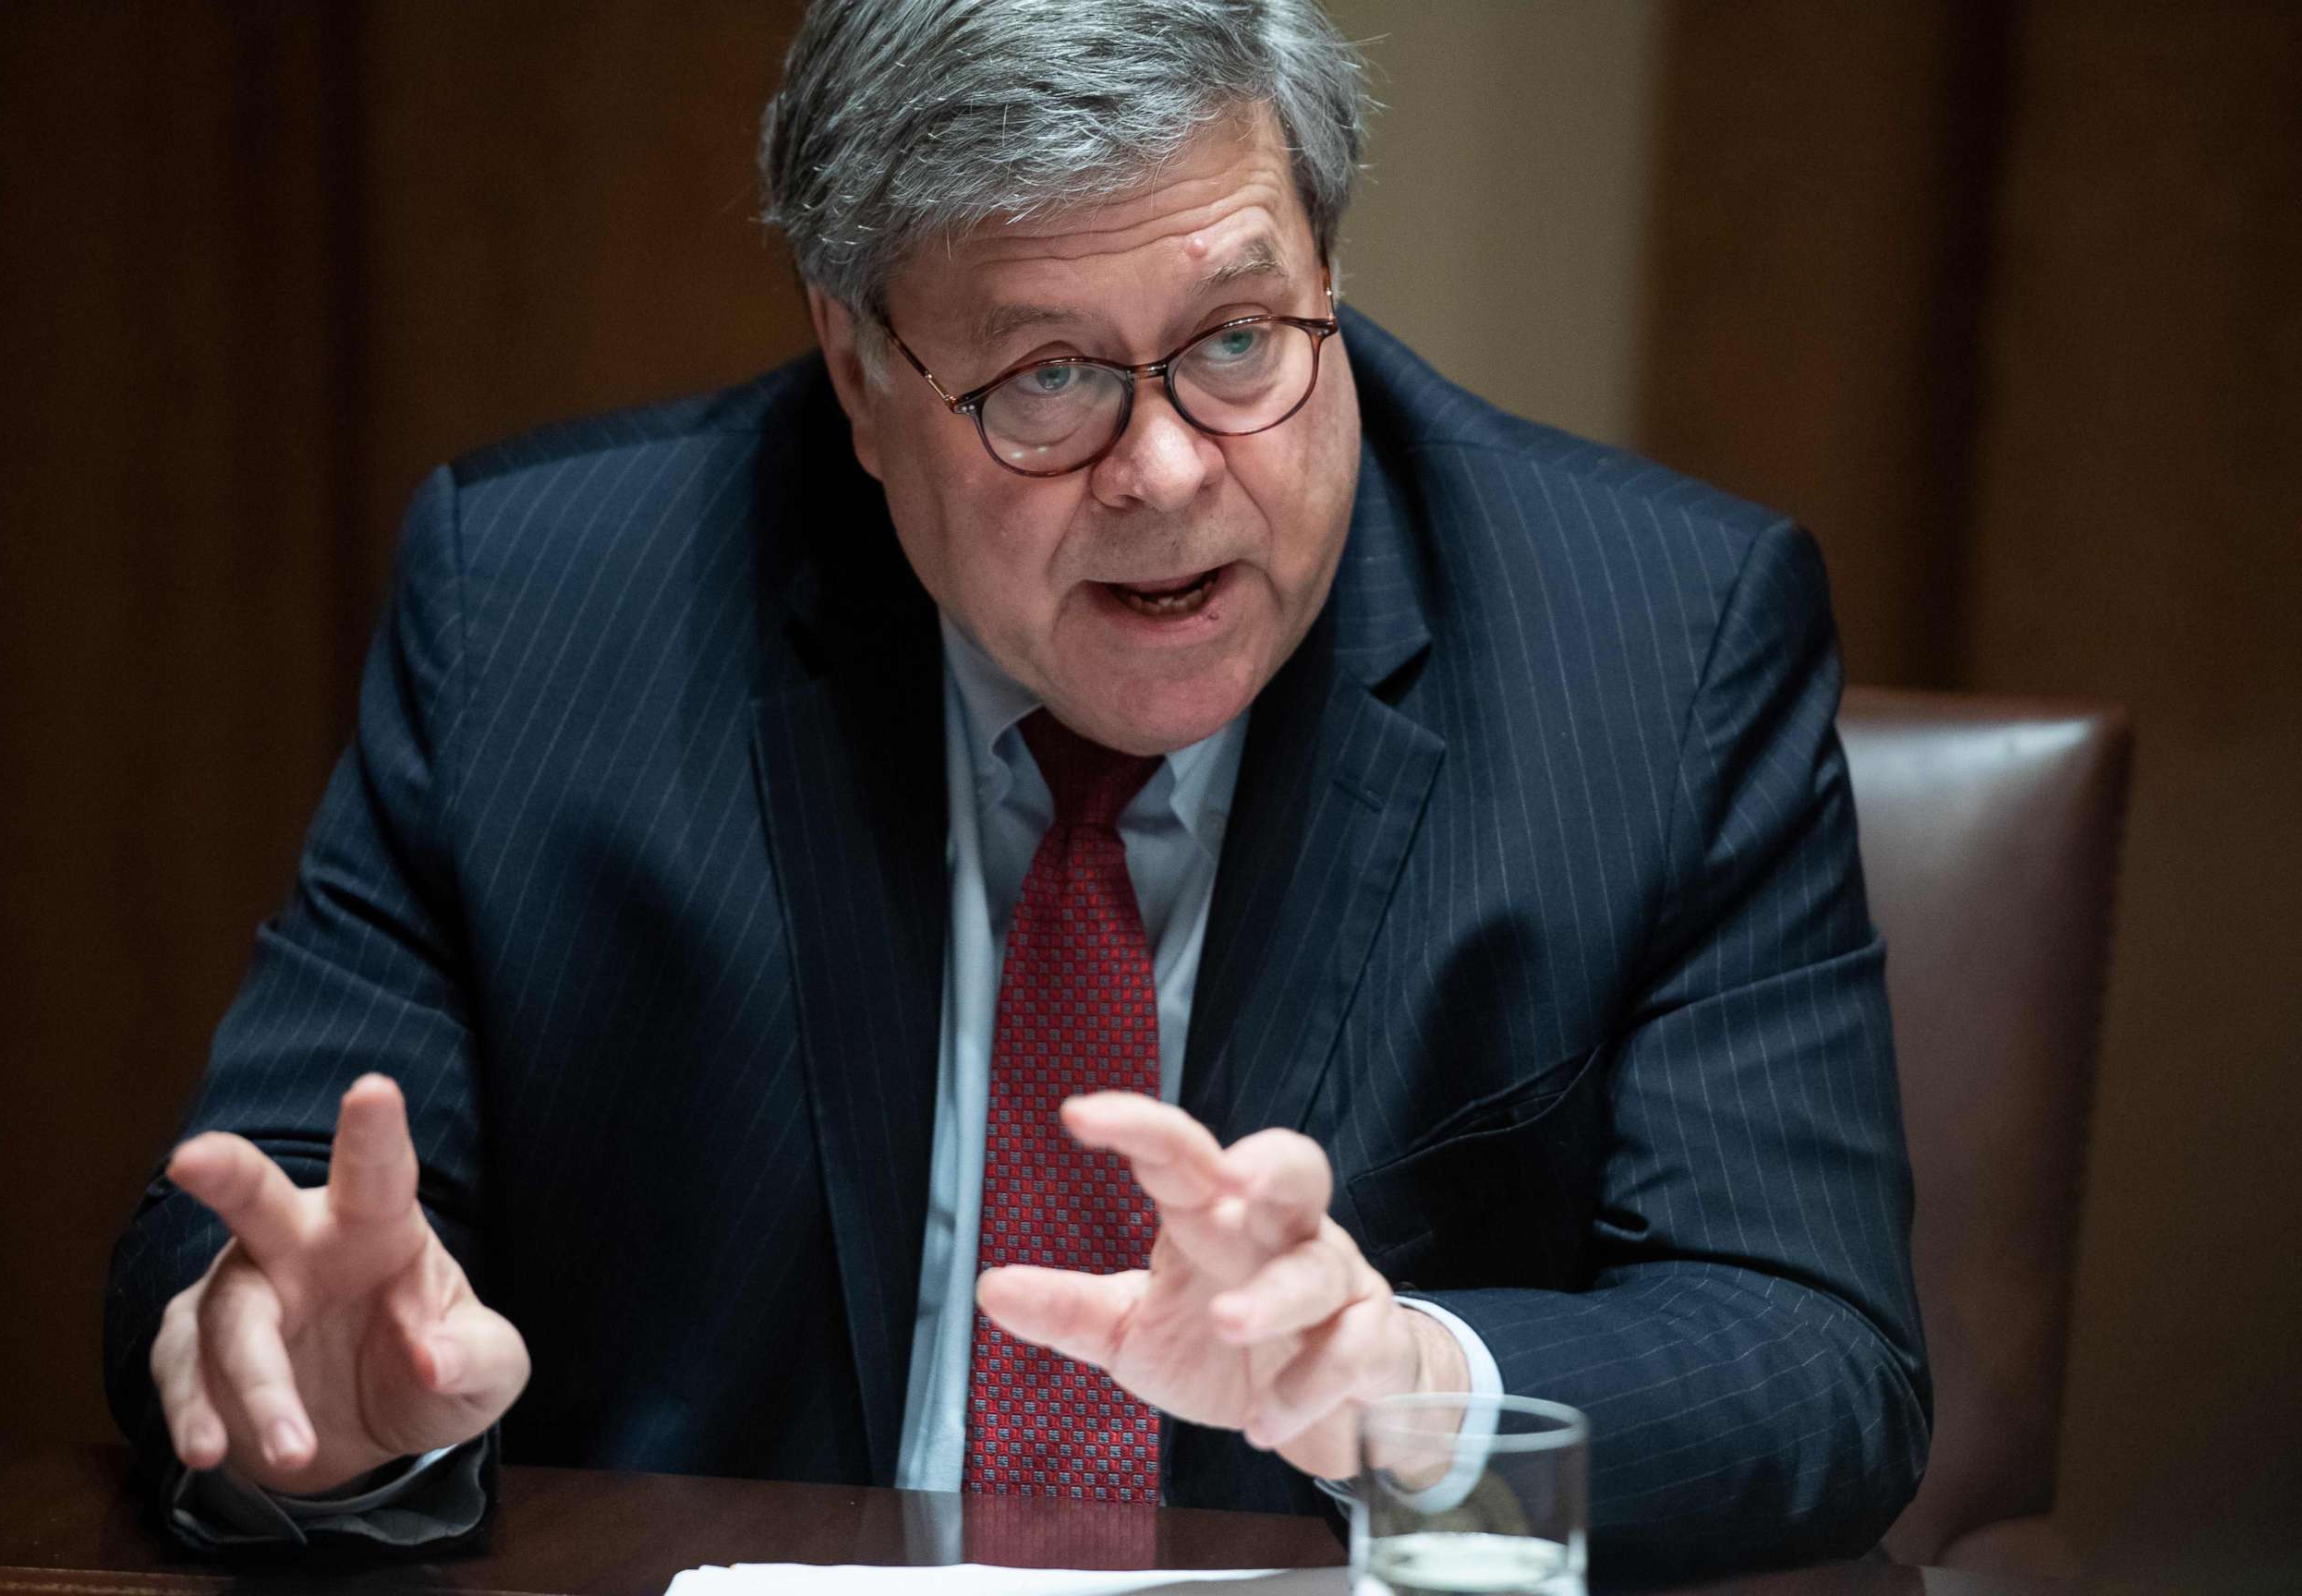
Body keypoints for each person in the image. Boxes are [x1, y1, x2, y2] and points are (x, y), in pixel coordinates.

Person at [104, 0, 1930, 1580]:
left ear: (1329, 276)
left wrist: (1407, 1395)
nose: (1163, 474)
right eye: (1046, 377)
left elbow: (1814, 1361)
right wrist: (293, 1371)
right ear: (859, 365)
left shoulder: (1653, 648)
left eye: (1236, 340)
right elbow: (271, 1213)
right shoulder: (540, 614)